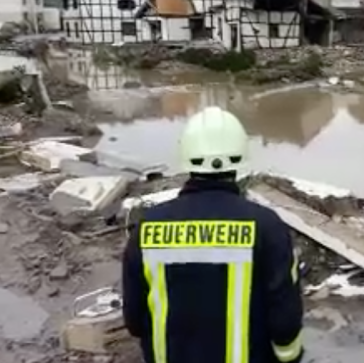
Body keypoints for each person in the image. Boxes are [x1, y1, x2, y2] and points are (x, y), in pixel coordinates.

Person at [122, 106, 304, 363]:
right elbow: (285, 321)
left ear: (186, 154)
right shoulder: (267, 227)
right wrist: (289, 358)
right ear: (241, 154)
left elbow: (134, 321)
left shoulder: (147, 228)